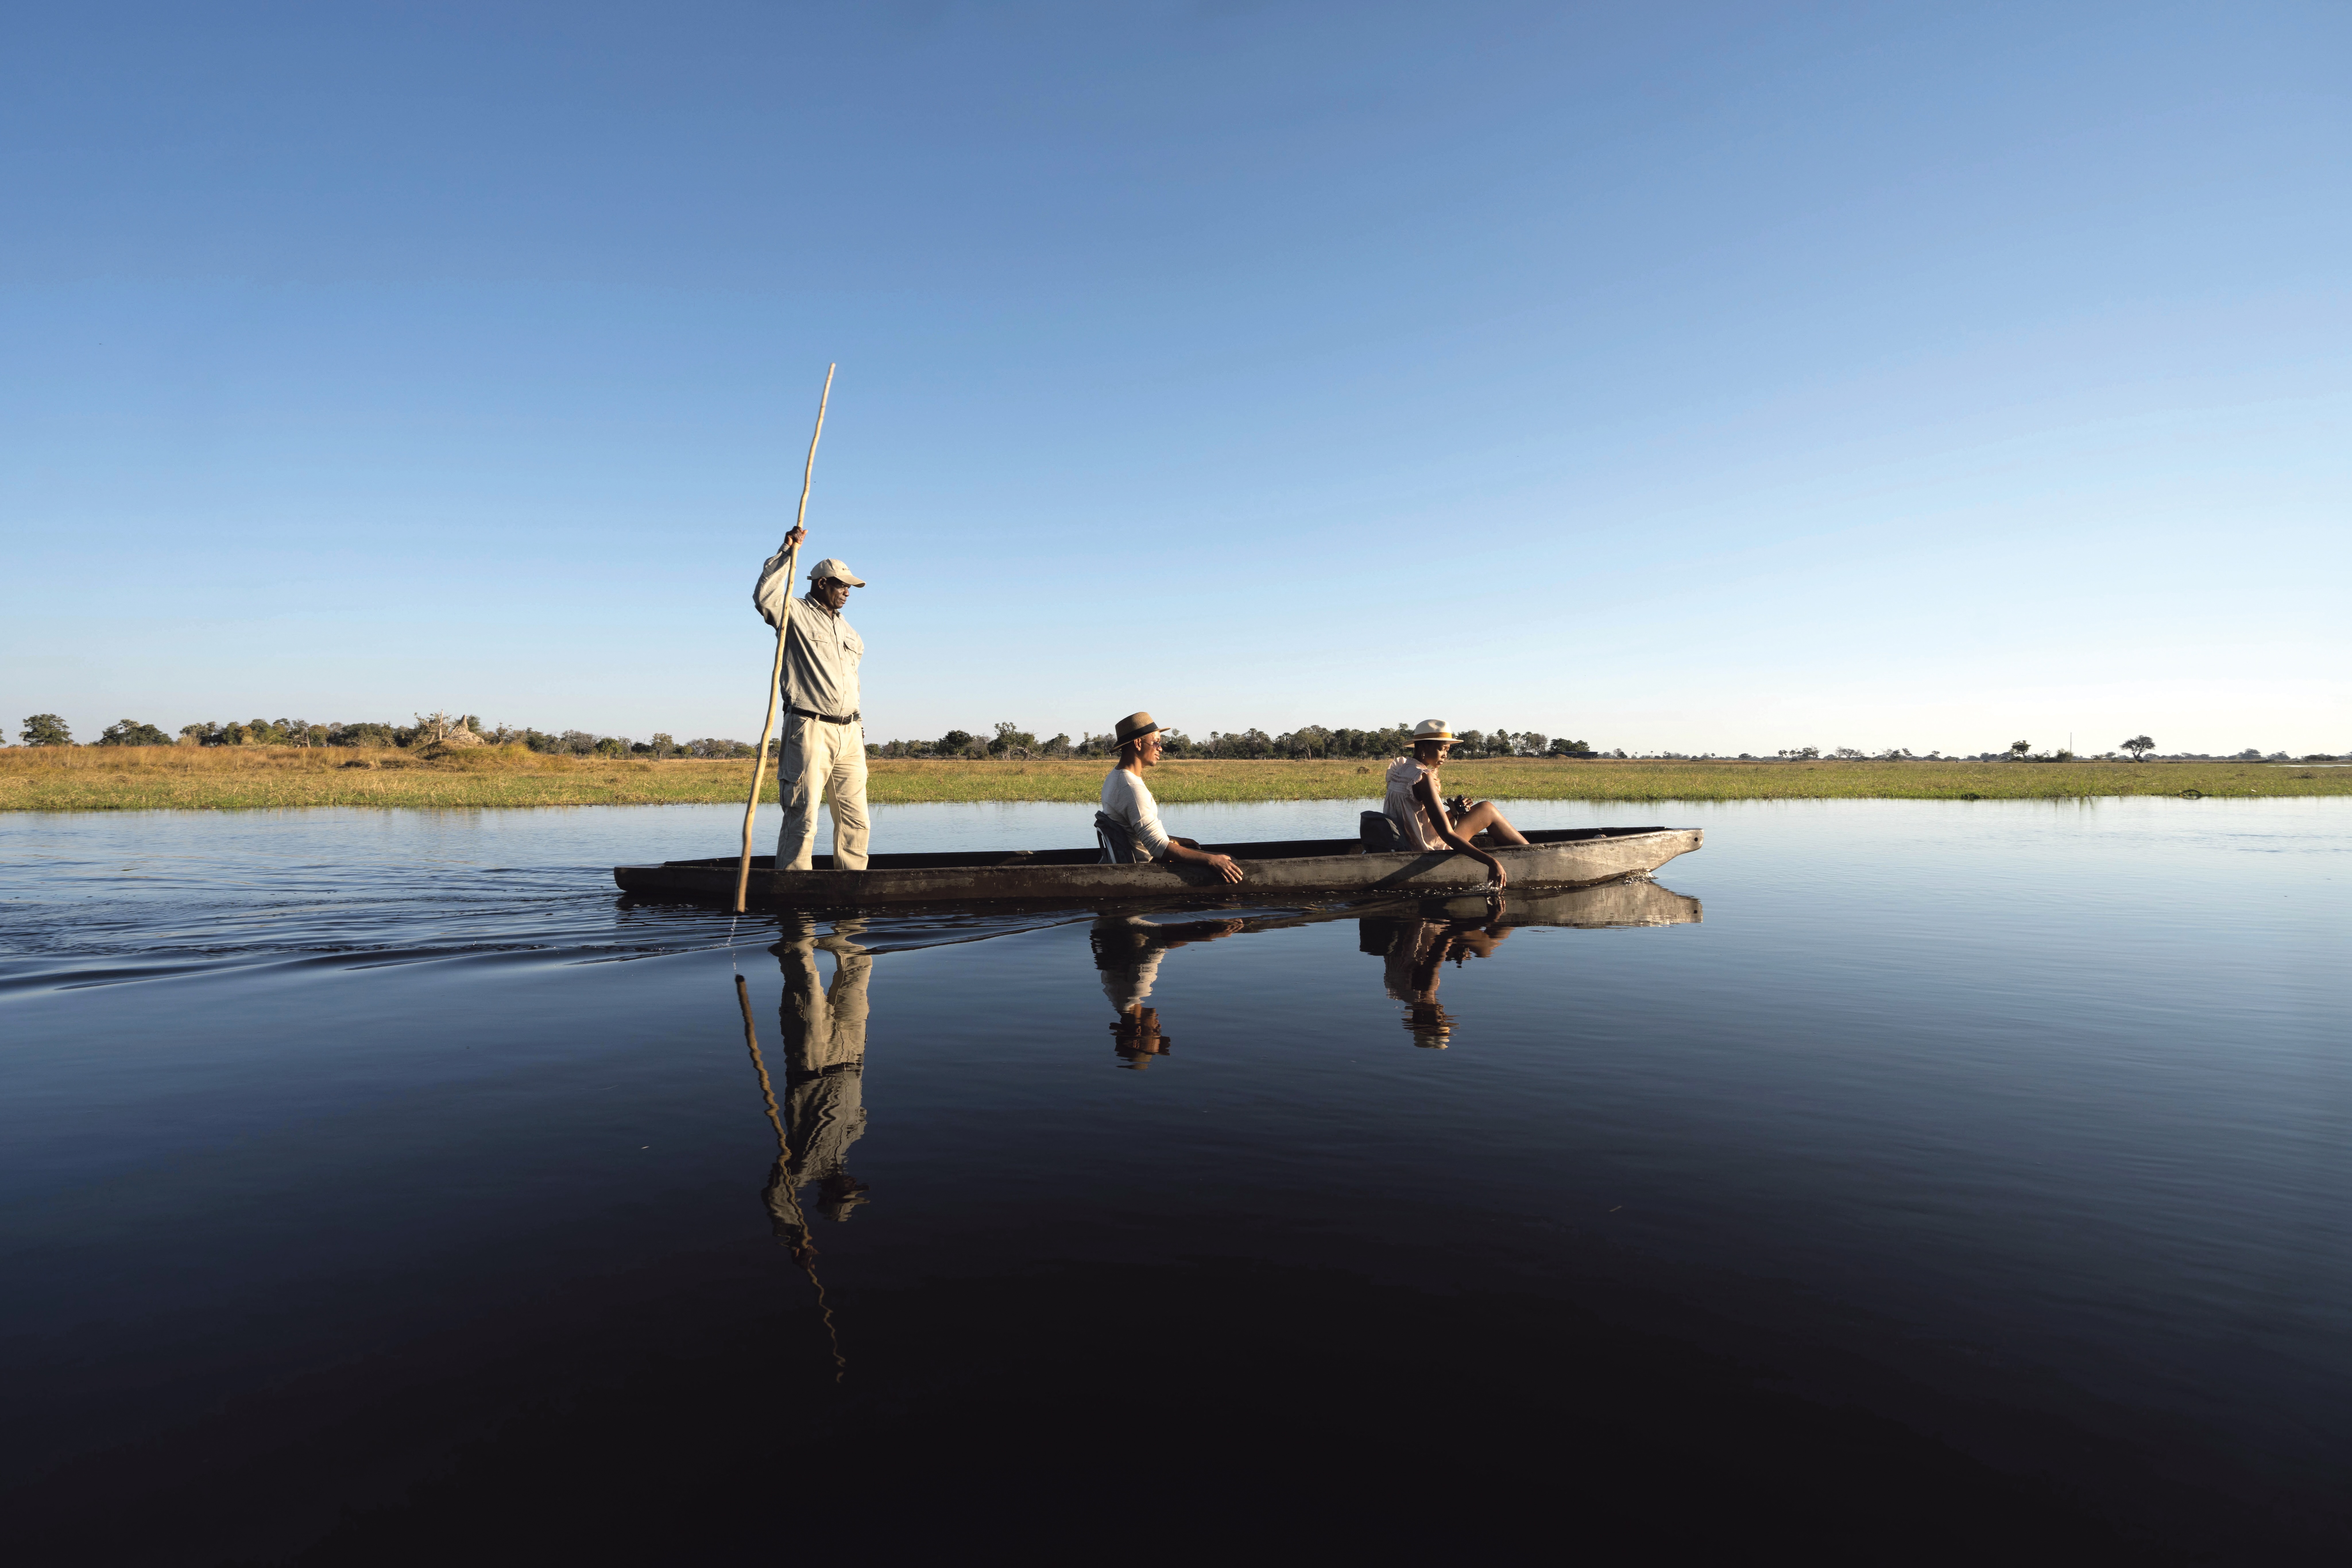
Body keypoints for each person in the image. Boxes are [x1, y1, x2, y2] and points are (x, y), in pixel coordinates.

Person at [755, 525, 870, 871]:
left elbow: (851, 683)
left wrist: (858, 725)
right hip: (809, 727)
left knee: (857, 820)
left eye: (850, 587)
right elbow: (767, 599)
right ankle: (794, 890)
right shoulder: (796, 614)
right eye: (841, 585)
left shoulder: (849, 631)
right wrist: (787, 553)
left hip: (850, 733)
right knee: (803, 816)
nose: (848, 592)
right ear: (822, 583)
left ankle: (853, 888)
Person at [1097, 711, 1244, 884]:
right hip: (1147, 868)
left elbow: (1135, 831)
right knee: (1229, 860)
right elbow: (1157, 847)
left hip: (1141, 858)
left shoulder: (1115, 777)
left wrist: (1176, 841)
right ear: (1138, 743)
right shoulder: (1132, 789)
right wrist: (1211, 860)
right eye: (1156, 743)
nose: (1160, 748)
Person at [1383, 720, 1528, 887]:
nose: (1445, 755)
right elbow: (1446, 834)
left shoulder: (1401, 771)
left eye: (1447, 750)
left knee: (1483, 809)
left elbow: (1417, 820)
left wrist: (1453, 812)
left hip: (1409, 843)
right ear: (1423, 747)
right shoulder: (1423, 777)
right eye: (1441, 749)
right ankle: (1534, 855)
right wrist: (1491, 862)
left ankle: (1531, 852)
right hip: (1427, 849)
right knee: (1487, 809)